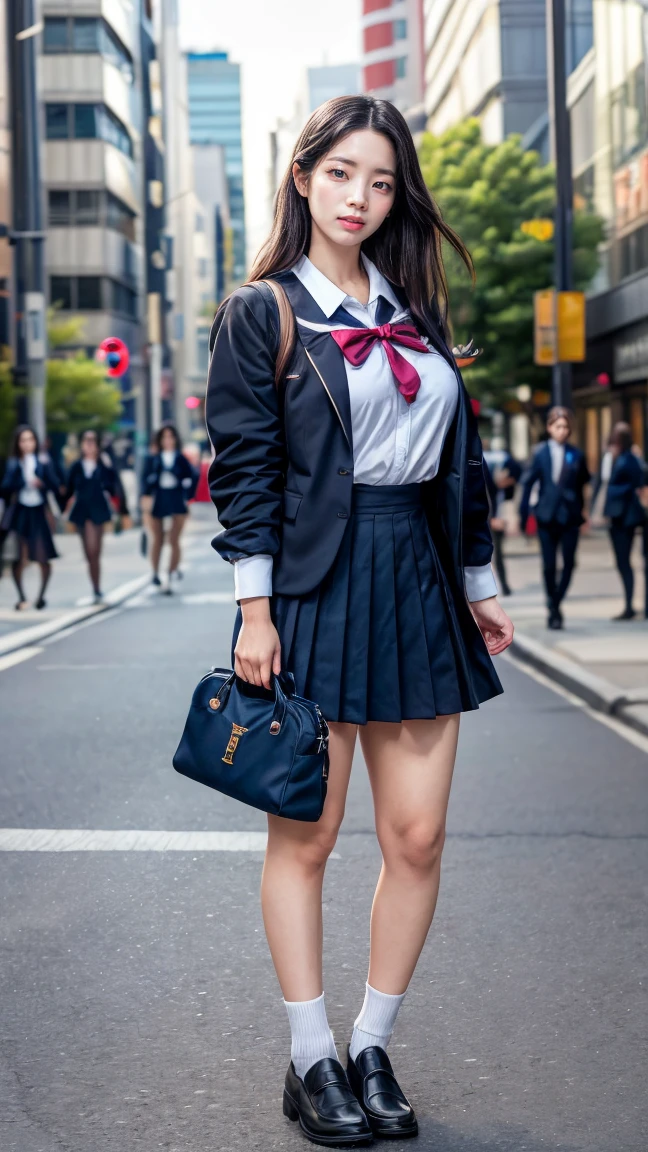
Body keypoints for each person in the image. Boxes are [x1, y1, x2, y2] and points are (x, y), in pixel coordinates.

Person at [206, 95, 514, 1146]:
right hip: (314, 588)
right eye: (342, 174)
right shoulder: (265, 311)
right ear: (303, 178)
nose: (361, 198)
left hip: (420, 584)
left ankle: (373, 1043)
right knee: (311, 834)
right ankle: (310, 1058)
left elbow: (456, 470)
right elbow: (244, 471)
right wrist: (256, 609)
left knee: (418, 835)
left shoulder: (415, 311)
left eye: (381, 181)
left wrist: (478, 587)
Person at [519, 407, 590, 630]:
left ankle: (555, 601)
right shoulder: (539, 453)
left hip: (570, 517)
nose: (562, 431)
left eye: (566, 427)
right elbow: (528, 482)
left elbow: (582, 485)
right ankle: (554, 608)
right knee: (549, 565)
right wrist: (523, 516)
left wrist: (583, 513)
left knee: (569, 563)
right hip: (546, 516)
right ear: (550, 428)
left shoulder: (576, 454)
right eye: (558, 426)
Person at [0, 424, 62, 610]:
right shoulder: (12, 464)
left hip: (38, 510)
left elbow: (55, 484)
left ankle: (41, 597)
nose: (27, 444)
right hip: (20, 512)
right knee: (18, 556)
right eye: (23, 440)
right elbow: (5, 488)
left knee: (43, 556)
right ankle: (22, 597)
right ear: (18, 443)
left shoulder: (43, 462)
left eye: (30, 440)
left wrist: (41, 482)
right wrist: (20, 480)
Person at [590, 422, 647, 620]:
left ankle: (630, 605)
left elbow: (637, 483)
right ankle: (629, 604)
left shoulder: (629, 459)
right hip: (616, 516)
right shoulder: (612, 458)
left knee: (624, 561)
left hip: (626, 517)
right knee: (621, 562)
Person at [64, 429, 120, 603]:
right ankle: (95, 588)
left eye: (92, 440)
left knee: (95, 551)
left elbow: (114, 485)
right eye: (86, 440)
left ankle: (97, 588)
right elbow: (67, 489)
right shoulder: (76, 466)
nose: (89, 444)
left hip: (99, 508)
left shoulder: (103, 464)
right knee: (89, 551)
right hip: (82, 510)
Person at [140, 424, 197, 591]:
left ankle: (171, 572)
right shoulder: (153, 458)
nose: (168, 441)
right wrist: (145, 500)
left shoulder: (180, 458)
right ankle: (155, 572)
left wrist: (187, 494)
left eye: (170, 437)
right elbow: (145, 481)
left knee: (174, 539)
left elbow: (193, 476)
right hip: (159, 498)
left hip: (176, 497)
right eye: (164, 437)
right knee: (157, 538)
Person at [483, 441, 522, 595]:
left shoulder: (484, 460)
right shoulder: (498, 458)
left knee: (495, 553)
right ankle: (501, 586)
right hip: (491, 513)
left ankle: (500, 586)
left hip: (492, 513)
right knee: (495, 553)